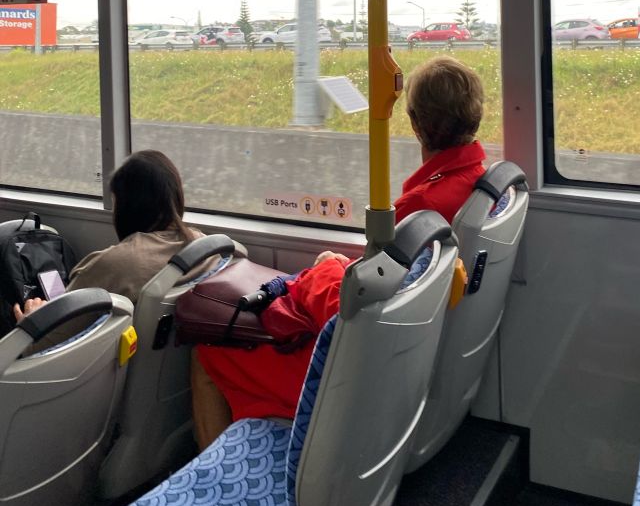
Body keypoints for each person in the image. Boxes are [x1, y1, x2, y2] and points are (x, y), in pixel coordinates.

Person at [192, 57, 486, 447]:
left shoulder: (421, 210)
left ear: (416, 125)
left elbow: (356, 311)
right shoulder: (477, 182)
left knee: (208, 350)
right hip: (406, 355)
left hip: (358, 370)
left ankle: (223, 473)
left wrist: (328, 268)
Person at [13, 149, 245, 324]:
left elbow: (53, 337)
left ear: (127, 207)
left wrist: (30, 321)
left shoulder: (113, 264)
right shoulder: (205, 247)